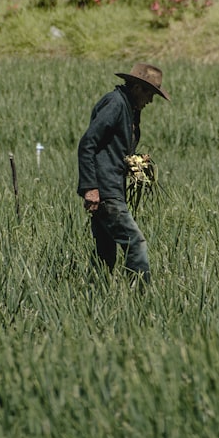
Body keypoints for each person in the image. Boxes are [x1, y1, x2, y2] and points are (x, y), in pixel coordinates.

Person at [77, 63, 170, 285]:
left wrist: (132, 162)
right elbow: (88, 143)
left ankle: (94, 296)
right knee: (135, 242)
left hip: (109, 186)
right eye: (149, 93)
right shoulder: (116, 104)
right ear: (137, 87)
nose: (150, 100)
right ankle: (141, 298)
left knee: (105, 252)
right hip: (106, 189)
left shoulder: (129, 108)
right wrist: (90, 187)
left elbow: (109, 148)